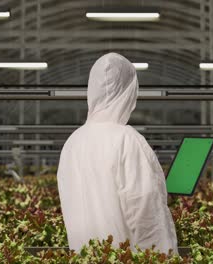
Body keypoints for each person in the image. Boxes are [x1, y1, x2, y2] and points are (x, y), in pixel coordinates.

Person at [57, 53, 178, 254]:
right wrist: (165, 255)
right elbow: (147, 215)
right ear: (129, 92)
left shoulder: (72, 143)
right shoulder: (127, 139)